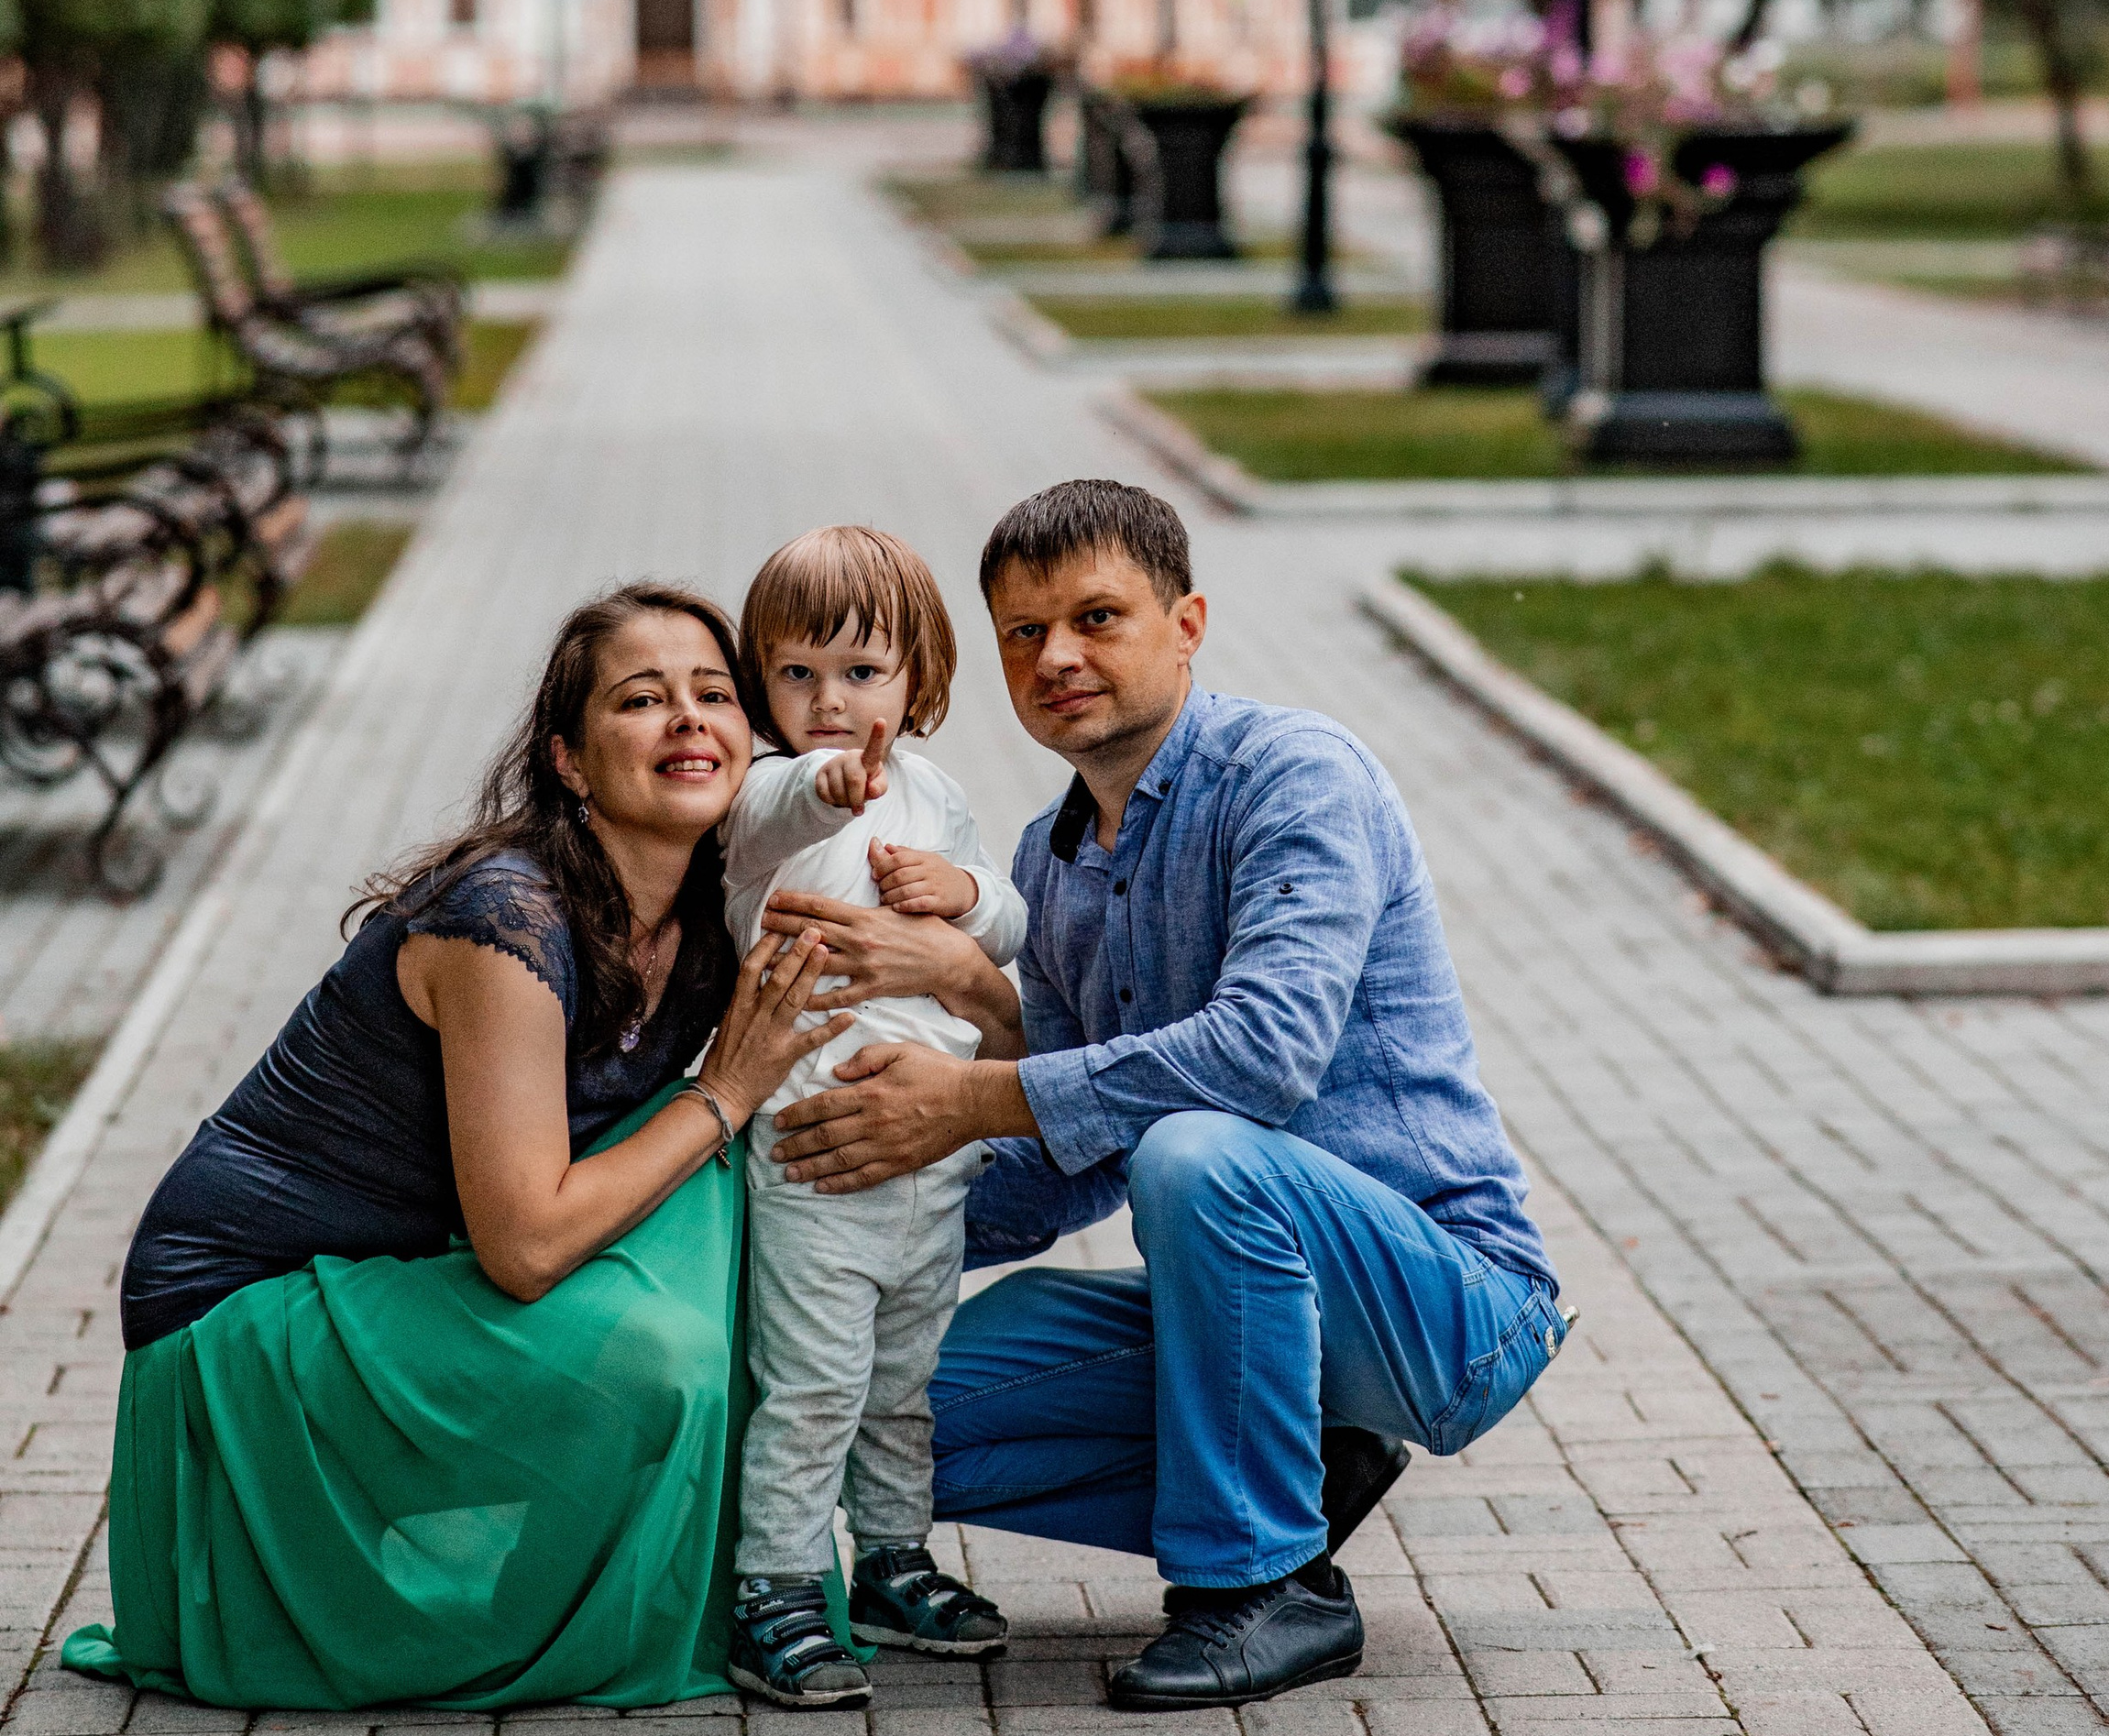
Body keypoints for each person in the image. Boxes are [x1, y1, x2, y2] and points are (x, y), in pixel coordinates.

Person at [762, 480, 1570, 1714]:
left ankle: (1259, 1586)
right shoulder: (1049, 856)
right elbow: (1068, 1154)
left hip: (1447, 1304)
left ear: (1186, 623)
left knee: (1197, 1153)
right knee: (900, 1407)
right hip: (1243, 1301)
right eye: (1024, 634)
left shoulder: (1296, 778)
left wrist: (970, 1095)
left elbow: (1264, 1056)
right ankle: (1298, 1467)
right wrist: (822, 1210)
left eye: (1097, 617)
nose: (1059, 657)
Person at [65, 585, 849, 1711]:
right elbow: (525, 1246)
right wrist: (724, 1090)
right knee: (663, 1338)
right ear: (571, 762)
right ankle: (588, 1605)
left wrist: (973, 996)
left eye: (714, 694)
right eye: (642, 699)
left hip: (396, 1273)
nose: (689, 718)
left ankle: (757, 1583)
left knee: (737, 1223)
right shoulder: (505, 919)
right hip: (241, 1316)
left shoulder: (709, 914)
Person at [717, 526, 1025, 1708]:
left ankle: (893, 1557)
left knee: (905, 1379)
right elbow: (785, 811)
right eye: (797, 674)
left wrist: (968, 896)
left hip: (927, 1161)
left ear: (917, 676)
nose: (830, 701)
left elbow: (1007, 924)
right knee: (812, 1384)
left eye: (861, 672)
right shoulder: (762, 795)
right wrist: (826, 780)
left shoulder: (938, 792)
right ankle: (778, 1585)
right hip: (810, 1155)